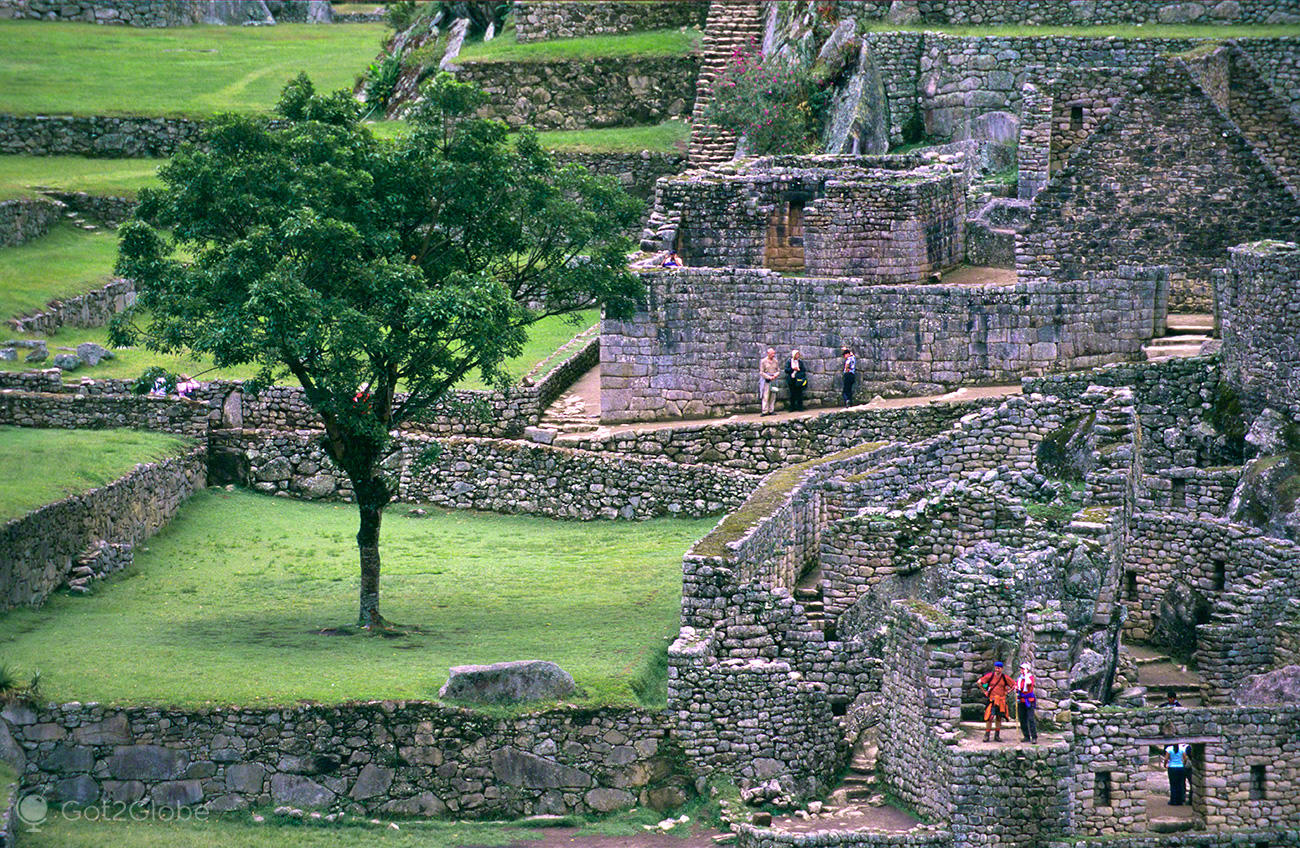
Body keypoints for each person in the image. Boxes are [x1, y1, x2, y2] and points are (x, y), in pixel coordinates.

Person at [979, 660, 1015, 742]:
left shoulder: (1005, 678)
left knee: (999, 718)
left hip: (1001, 701)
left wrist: (1008, 692)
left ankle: (997, 736)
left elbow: (1014, 684)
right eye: (996, 668)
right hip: (992, 700)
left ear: (1002, 669)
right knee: (989, 717)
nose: (997, 670)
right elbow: (979, 682)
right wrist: (984, 691)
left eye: (998, 668)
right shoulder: (990, 676)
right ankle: (987, 735)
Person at [1015, 662, 1038, 744]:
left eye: (1023, 669)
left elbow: (1029, 684)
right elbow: (1018, 687)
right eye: (1021, 669)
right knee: (1022, 719)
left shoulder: (1030, 678)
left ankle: (1034, 736)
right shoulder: (1020, 679)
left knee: (1031, 719)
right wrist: (1016, 689)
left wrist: (1026, 674)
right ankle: (1026, 736)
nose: (1021, 670)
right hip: (1021, 701)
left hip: (1029, 701)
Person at [1163, 741, 1190, 806]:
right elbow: (1185, 758)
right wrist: (1183, 764)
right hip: (1180, 767)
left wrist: (1165, 765)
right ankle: (1180, 800)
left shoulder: (1169, 749)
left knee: (1173, 784)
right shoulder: (1181, 748)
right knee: (1180, 784)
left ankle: (1173, 800)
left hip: (1172, 768)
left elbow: (1166, 758)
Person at [759, 348, 780, 416]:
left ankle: (771, 410)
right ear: (768, 353)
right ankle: (765, 411)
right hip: (766, 380)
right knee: (766, 395)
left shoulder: (775, 361)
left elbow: (778, 370)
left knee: (773, 396)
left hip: (774, 380)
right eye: (772, 354)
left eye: (774, 353)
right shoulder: (763, 361)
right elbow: (761, 372)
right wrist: (768, 377)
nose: (773, 355)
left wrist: (775, 375)